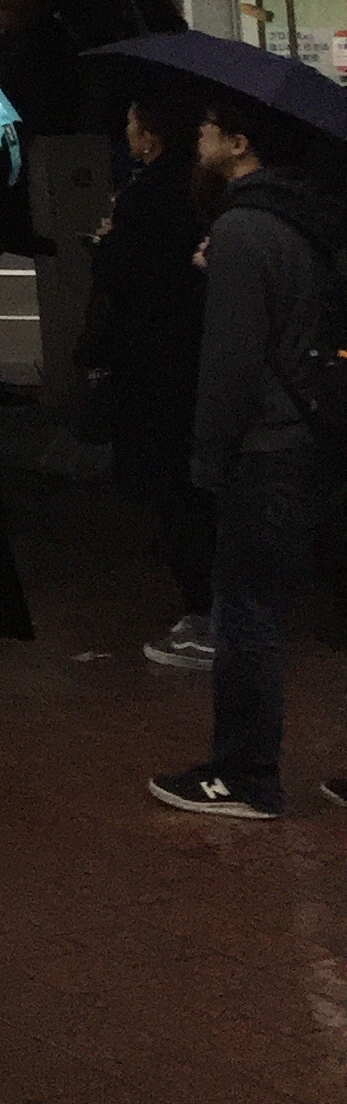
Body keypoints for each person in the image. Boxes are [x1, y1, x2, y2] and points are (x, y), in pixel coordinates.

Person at [156, 96, 335, 816]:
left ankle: (246, 772)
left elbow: (229, 364)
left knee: (247, 613)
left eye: (204, 129)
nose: (194, 138)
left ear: (237, 143)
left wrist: (206, 458)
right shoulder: (307, 218)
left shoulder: (242, 227)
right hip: (315, 428)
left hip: (262, 446)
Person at [98, 96, 220, 669]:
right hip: (199, 354)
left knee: (175, 489)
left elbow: (124, 275)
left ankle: (205, 614)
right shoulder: (205, 194)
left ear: (149, 137)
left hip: (156, 360)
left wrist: (108, 242)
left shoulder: (147, 198)